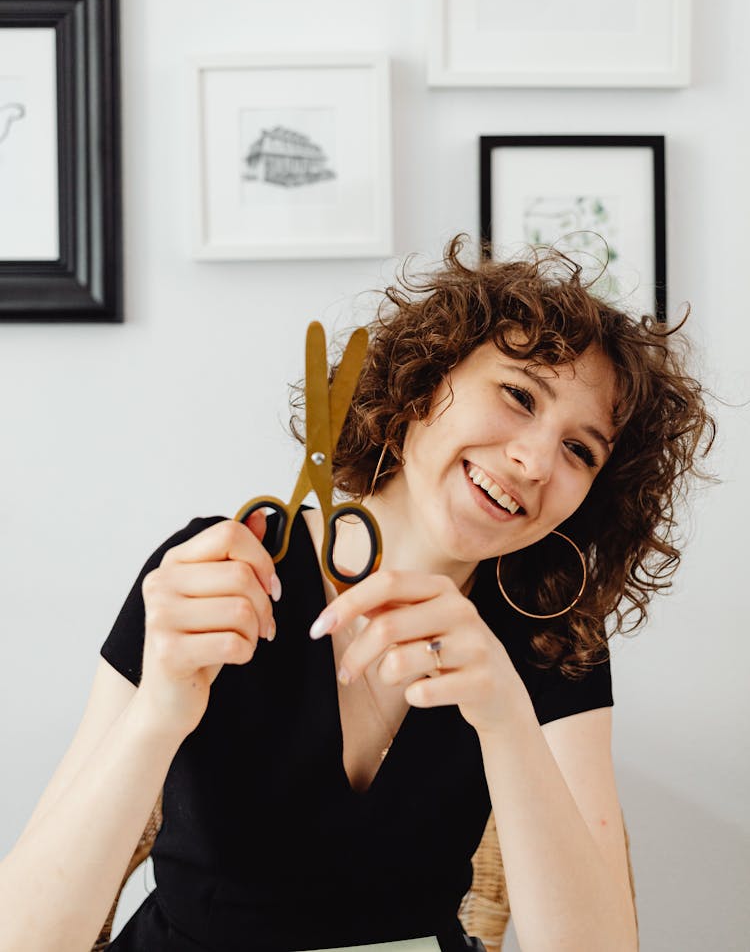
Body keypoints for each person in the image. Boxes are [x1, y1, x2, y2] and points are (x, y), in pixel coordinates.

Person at [0, 236, 714, 952]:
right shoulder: (223, 566)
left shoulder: (551, 632)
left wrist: (506, 718)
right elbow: (25, 937)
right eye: (519, 395)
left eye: (579, 450)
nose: (532, 461)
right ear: (424, 381)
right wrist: (158, 713)